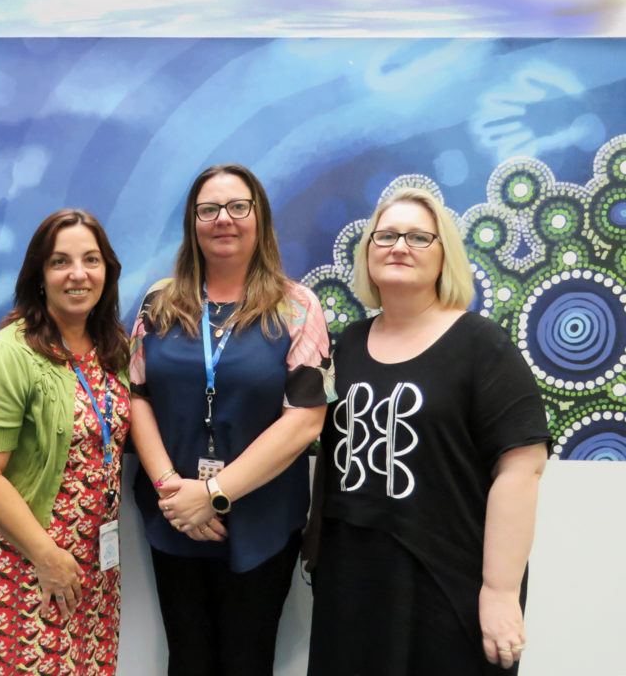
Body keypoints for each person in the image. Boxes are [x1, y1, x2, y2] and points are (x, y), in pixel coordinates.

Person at [307, 187, 551, 675]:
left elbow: (522, 469)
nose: (400, 246)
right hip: (351, 580)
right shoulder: (347, 346)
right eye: (387, 235)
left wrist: (500, 591)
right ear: (368, 252)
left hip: (445, 579)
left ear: (445, 257)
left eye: (420, 237)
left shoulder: (482, 345)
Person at [129, 163, 335, 676]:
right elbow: (135, 397)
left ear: (259, 218)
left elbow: (306, 421)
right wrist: (173, 491)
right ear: (192, 223)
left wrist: (214, 493)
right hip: (174, 514)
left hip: (264, 518)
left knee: (248, 659)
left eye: (238, 206)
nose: (224, 219)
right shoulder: (160, 302)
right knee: (188, 658)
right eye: (209, 209)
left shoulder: (297, 307)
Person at [0, 209, 131, 676]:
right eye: (60, 262)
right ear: (39, 276)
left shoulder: (112, 346)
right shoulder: (9, 352)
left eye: (91, 260)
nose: (78, 274)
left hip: (98, 563)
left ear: (107, 271)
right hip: (31, 563)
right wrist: (47, 555)